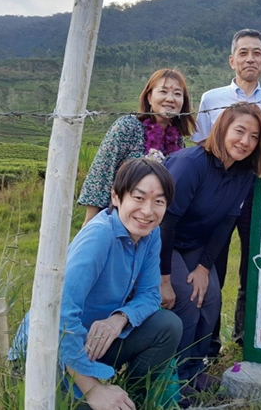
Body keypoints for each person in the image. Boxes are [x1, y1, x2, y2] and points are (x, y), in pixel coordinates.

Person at [10, 158, 183, 410]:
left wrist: (119, 318)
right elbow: (59, 316)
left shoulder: (150, 233)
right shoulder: (99, 236)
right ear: (115, 197)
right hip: (48, 350)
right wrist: (93, 390)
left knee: (167, 325)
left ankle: (128, 396)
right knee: (90, 404)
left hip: (92, 340)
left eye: (159, 201)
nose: (147, 211)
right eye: (138, 198)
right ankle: (96, 391)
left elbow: (150, 295)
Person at [191, 29, 261, 356]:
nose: (250, 58)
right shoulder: (211, 99)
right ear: (232, 59)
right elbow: (200, 148)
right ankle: (207, 342)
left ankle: (246, 340)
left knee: (253, 269)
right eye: (243, 53)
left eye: (256, 53)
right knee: (211, 267)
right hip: (217, 199)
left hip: (257, 199)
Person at [159, 104, 261, 389]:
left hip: (195, 244)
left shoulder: (244, 173)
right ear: (222, 129)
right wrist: (164, 277)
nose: (245, 142)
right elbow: (166, 221)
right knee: (185, 298)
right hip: (162, 241)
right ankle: (174, 378)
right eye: (240, 131)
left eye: (254, 137)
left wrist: (204, 266)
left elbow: (226, 223)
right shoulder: (192, 163)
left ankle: (194, 369)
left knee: (210, 297)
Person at [79, 68, 196, 225]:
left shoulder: (178, 141)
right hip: (115, 219)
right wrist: (90, 223)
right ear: (149, 97)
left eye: (177, 94)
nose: (170, 99)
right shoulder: (127, 126)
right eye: (163, 91)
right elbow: (101, 174)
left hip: (149, 222)